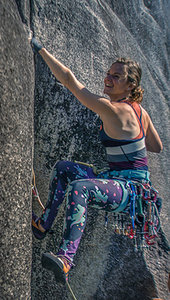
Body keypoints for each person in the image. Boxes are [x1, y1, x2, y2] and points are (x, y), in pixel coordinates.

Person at [29, 37, 163, 283]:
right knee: (64, 169)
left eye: (116, 77)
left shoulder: (111, 109)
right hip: (122, 182)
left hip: (132, 192)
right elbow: (156, 146)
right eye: (108, 73)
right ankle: (43, 225)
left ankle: (66, 260)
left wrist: (41, 50)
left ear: (131, 85)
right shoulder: (141, 112)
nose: (108, 79)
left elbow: (70, 81)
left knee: (81, 188)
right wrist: (133, 136)